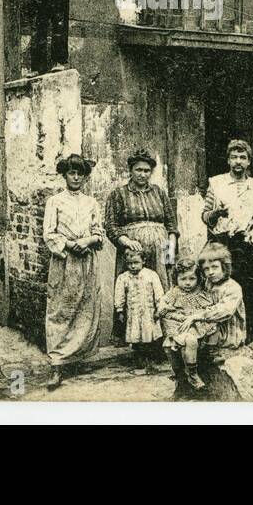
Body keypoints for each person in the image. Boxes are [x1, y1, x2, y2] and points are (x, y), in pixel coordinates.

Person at [43, 154, 106, 388]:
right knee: (61, 309)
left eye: (80, 173)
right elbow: (49, 233)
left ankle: (77, 357)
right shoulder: (55, 202)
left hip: (87, 261)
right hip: (65, 261)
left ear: (85, 177)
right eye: (72, 173)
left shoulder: (91, 203)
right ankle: (57, 364)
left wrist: (88, 241)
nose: (76, 177)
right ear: (65, 175)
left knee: (85, 307)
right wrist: (70, 245)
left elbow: (99, 232)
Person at [201, 139, 253, 343]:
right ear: (228, 160)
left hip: (245, 244)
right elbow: (204, 215)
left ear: (249, 162)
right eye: (234, 157)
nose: (238, 161)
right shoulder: (216, 183)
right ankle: (221, 336)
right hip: (222, 243)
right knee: (220, 288)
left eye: (243, 158)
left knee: (248, 290)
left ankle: (249, 337)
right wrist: (216, 213)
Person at [106, 148, 178, 293]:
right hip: (133, 250)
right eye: (138, 170)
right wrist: (127, 242)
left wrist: (170, 249)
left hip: (160, 248)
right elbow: (111, 226)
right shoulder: (118, 194)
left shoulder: (158, 192)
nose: (143, 174)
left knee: (162, 287)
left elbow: (171, 224)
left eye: (147, 171)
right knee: (135, 290)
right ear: (130, 170)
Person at [157, 258, 214, 391]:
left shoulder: (201, 292)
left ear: (198, 278)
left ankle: (192, 373)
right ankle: (184, 374)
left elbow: (208, 309)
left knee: (193, 341)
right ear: (176, 279)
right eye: (183, 279)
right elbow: (162, 303)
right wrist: (164, 307)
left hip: (196, 325)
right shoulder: (175, 292)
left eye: (192, 278)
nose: (187, 283)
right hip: (178, 325)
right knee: (176, 344)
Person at [194, 243, 248, 375]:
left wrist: (201, 315)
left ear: (224, 267)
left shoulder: (232, 287)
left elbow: (224, 311)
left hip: (229, 333)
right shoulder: (208, 284)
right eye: (206, 269)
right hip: (211, 331)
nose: (210, 272)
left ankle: (212, 352)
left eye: (215, 267)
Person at [113, 248, 164, 371]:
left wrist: (159, 308)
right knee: (135, 336)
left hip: (148, 312)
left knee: (149, 335)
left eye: (136, 263)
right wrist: (120, 310)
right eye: (129, 263)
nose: (133, 266)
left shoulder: (151, 275)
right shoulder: (123, 277)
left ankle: (150, 361)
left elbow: (159, 293)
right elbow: (119, 294)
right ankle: (139, 360)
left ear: (143, 261)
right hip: (133, 312)